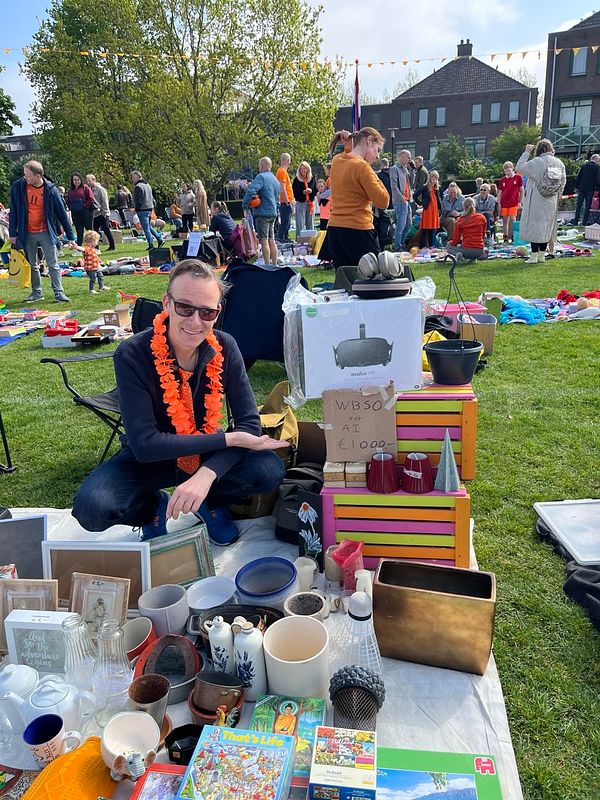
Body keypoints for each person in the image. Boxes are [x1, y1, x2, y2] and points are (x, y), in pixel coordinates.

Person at [72, 259, 287, 545]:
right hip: (151, 457)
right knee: (91, 508)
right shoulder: (132, 353)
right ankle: (152, 511)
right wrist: (228, 440)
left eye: (207, 312)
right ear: (167, 303)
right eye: (185, 308)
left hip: (205, 451)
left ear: (217, 312)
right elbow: (145, 445)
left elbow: (248, 423)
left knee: (268, 469)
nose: (195, 321)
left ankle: (207, 501)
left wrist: (207, 474)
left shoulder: (225, 345)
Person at [9, 160, 76, 303]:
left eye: (27, 175)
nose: (24, 178)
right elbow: (13, 211)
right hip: (26, 232)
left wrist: (71, 236)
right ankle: (36, 292)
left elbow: (61, 213)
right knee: (32, 264)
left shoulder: (51, 190)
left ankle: (59, 292)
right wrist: (13, 234)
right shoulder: (18, 187)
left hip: (46, 231)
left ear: (38, 176)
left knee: (53, 264)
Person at [326, 128, 389, 267]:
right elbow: (383, 201)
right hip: (358, 229)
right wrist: (372, 172)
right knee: (376, 278)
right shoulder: (363, 167)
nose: (377, 156)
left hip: (335, 229)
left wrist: (350, 147)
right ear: (369, 140)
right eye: (377, 150)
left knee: (346, 281)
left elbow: (348, 159)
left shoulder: (337, 161)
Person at [516, 139, 566, 263]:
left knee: (535, 226)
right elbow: (563, 182)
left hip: (537, 198)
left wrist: (527, 152)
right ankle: (542, 255)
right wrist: (557, 194)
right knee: (546, 227)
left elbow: (519, 167)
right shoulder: (559, 163)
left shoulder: (537, 162)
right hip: (552, 199)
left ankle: (534, 256)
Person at [242, 157, 281, 267]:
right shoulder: (275, 180)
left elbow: (251, 190)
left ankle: (267, 265)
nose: (259, 168)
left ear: (262, 166)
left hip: (262, 213)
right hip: (273, 213)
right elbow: (277, 199)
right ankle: (274, 264)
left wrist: (245, 206)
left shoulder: (261, 177)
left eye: (259, 166)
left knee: (264, 241)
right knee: (271, 239)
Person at [447, 197, 487, 262]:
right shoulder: (481, 217)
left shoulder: (460, 220)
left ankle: (459, 255)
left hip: (467, 249)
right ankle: (473, 259)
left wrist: (450, 243)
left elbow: (456, 240)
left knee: (448, 247)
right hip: (480, 250)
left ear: (464, 207)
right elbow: (483, 234)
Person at [131, 170, 163, 248]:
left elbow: (139, 200)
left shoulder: (138, 187)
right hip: (149, 208)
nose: (132, 179)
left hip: (142, 210)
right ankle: (159, 239)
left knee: (146, 228)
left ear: (136, 177)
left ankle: (151, 244)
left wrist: (136, 209)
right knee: (148, 226)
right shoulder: (148, 185)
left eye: (132, 177)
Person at [86, 174, 116, 251]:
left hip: (102, 213)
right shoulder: (90, 189)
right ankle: (96, 247)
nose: (88, 182)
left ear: (93, 180)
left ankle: (112, 245)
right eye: (87, 181)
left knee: (106, 230)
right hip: (95, 213)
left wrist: (105, 212)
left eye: (89, 180)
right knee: (95, 232)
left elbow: (105, 201)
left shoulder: (100, 189)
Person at [413, 170, 442, 248]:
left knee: (433, 229)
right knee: (425, 228)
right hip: (428, 210)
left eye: (436, 178)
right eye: (433, 178)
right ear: (430, 178)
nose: (435, 180)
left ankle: (432, 246)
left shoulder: (437, 188)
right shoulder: (426, 187)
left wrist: (440, 208)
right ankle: (423, 246)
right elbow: (415, 195)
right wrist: (420, 203)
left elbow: (439, 199)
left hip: (435, 211)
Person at [390, 149, 412, 250]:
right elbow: (394, 185)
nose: (409, 159)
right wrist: (401, 197)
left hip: (407, 200)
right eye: (408, 157)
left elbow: (408, 183)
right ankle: (397, 246)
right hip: (400, 201)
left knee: (408, 224)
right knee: (401, 225)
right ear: (402, 156)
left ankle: (401, 243)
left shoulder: (405, 169)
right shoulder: (395, 169)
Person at [66, 172, 96, 245]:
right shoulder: (70, 191)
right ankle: (79, 248)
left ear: (80, 180)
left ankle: (95, 247)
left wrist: (84, 206)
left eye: (78, 180)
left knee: (89, 230)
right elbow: (68, 201)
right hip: (75, 213)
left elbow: (91, 199)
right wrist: (71, 207)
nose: (76, 181)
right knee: (79, 231)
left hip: (86, 213)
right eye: (74, 180)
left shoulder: (85, 188)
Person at [497, 162, 524, 244]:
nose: (507, 171)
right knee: (505, 220)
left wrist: (520, 201)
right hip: (504, 202)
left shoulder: (518, 177)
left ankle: (512, 237)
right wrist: (499, 203)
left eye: (509, 169)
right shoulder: (503, 180)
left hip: (513, 202)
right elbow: (500, 192)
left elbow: (521, 190)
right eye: (505, 170)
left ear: (512, 168)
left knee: (512, 219)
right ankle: (505, 237)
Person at [573, 154, 600, 226]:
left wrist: (576, 187)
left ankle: (575, 222)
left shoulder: (584, 166)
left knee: (579, 206)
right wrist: (597, 189)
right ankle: (584, 222)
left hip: (581, 188)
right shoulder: (597, 168)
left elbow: (579, 177)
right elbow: (598, 179)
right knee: (587, 207)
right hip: (590, 189)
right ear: (596, 160)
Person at [292, 162, 316, 237]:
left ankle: (311, 241)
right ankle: (299, 241)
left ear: (308, 169)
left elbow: (315, 190)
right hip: (300, 203)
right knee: (300, 224)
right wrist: (302, 192)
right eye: (302, 168)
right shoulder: (296, 180)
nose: (303, 170)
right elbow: (294, 192)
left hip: (310, 203)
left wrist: (311, 191)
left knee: (310, 223)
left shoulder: (312, 178)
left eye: (305, 168)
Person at [275, 153, 294, 243]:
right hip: (285, 202)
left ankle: (285, 238)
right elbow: (282, 189)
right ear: (287, 161)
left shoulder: (282, 171)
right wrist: (287, 202)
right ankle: (281, 239)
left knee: (287, 223)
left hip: (286, 201)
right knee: (285, 223)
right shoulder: (282, 171)